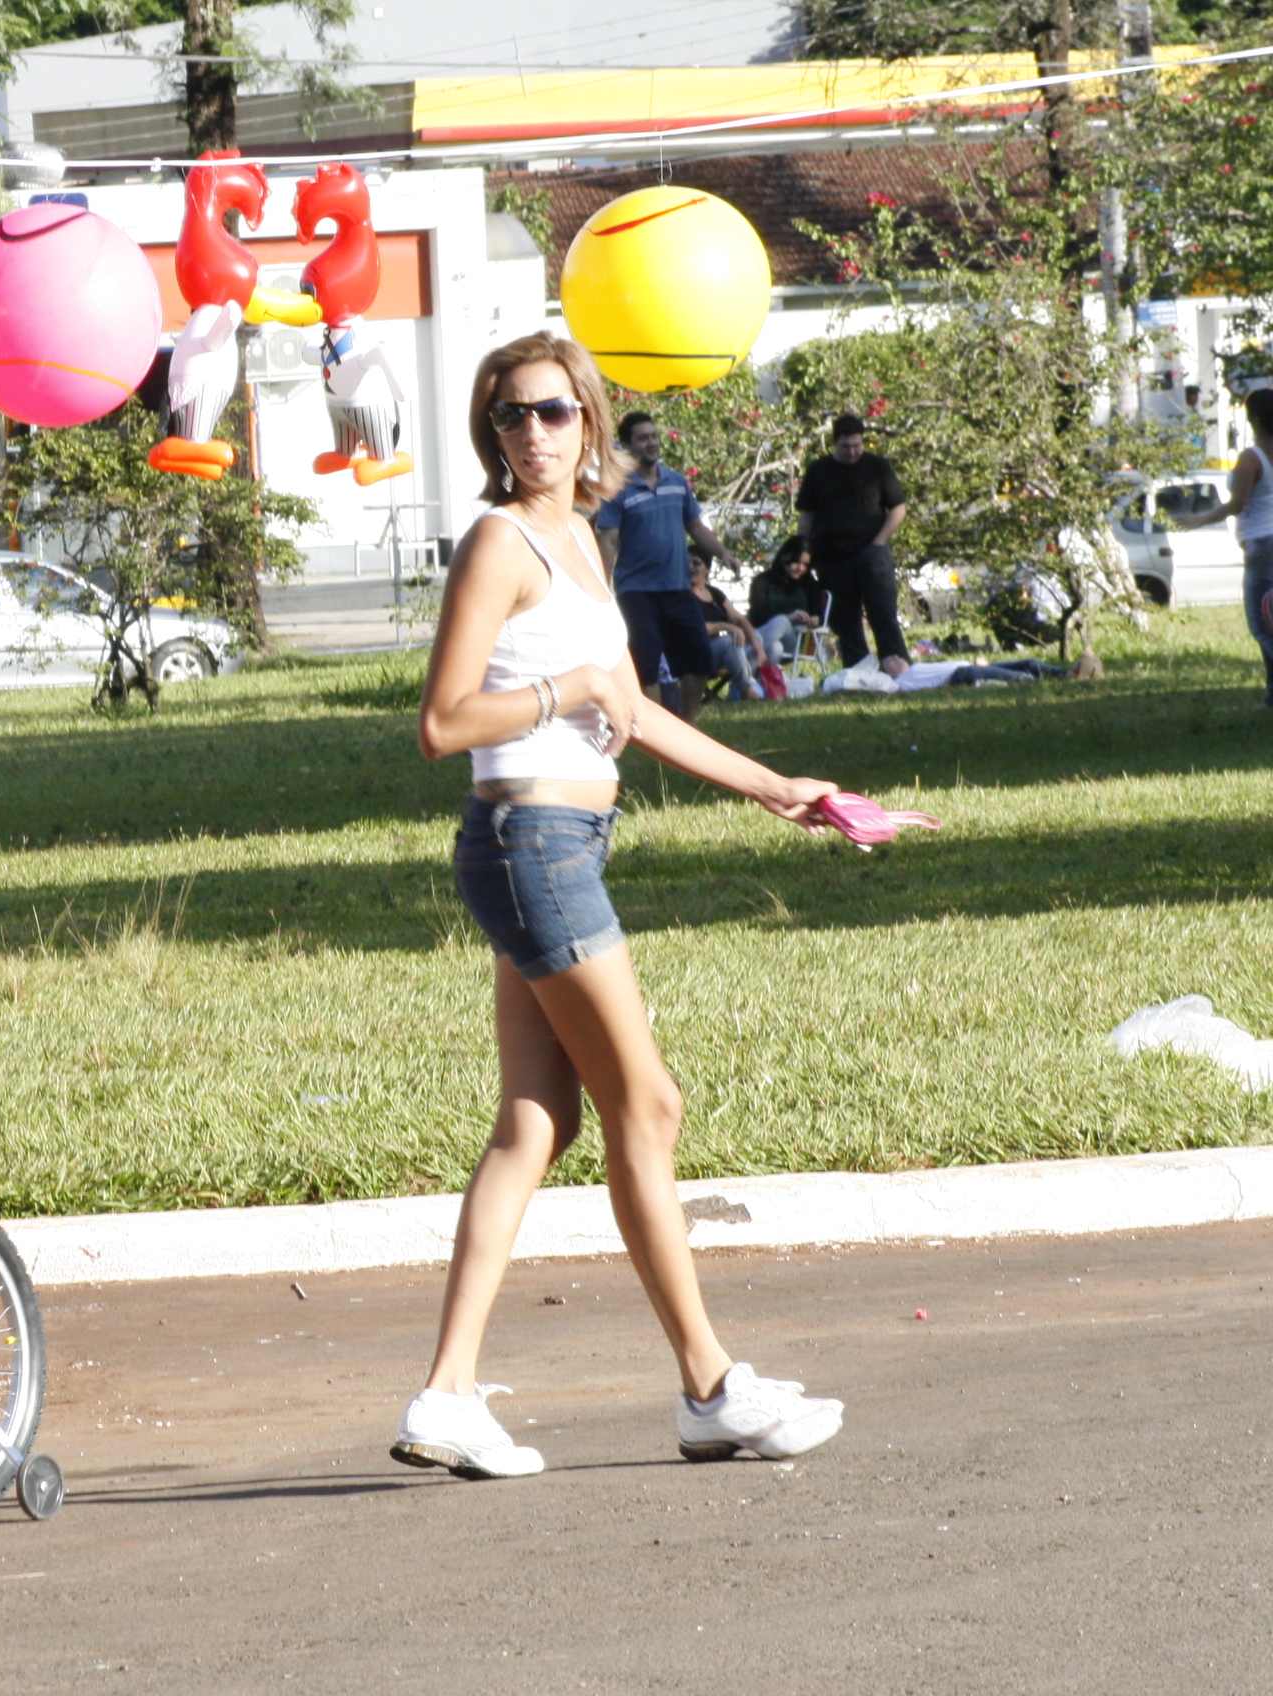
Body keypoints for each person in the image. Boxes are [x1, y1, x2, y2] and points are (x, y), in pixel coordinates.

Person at [396, 328, 845, 1478]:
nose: (529, 434)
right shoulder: (500, 542)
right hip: (527, 838)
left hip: (561, 839)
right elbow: (445, 721)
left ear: (588, 418)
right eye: (506, 417)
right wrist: (569, 686)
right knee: (648, 1103)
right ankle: (709, 1384)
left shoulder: (585, 542)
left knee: (536, 1122)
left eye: (548, 411)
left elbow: (635, 713)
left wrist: (775, 787)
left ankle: (447, 1394)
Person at [592, 412, 744, 721]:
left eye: (654, 436)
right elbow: (607, 540)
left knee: (699, 660)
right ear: (627, 445)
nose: (651, 443)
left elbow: (697, 528)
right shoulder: (617, 489)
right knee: (646, 667)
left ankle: (687, 725)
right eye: (643, 438)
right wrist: (599, 586)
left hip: (678, 588)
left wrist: (724, 553)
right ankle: (656, 729)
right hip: (638, 593)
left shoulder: (677, 482)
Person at [796, 414, 911, 677]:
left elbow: (898, 508)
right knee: (845, 621)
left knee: (883, 615)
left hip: (872, 554)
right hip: (831, 558)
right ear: (834, 442)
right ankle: (859, 672)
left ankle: (898, 669)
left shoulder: (877, 467)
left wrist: (878, 543)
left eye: (857, 445)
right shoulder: (818, 470)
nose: (852, 451)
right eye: (846, 446)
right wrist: (804, 549)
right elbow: (807, 516)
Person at [1179, 386, 1273, 707]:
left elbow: (1237, 504)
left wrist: (1199, 519)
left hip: (1262, 547)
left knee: (1261, 626)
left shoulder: (1252, 458)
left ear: (1255, 419)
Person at [689, 550, 768, 701]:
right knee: (728, 643)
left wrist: (757, 645)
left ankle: (738, 692)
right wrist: (724, 626)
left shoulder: (714, 593)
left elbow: (739, 619)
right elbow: (694, 629)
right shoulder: (682, 594)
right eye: (686, 563)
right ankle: (747, 690)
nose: (690, 567)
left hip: (715, 653)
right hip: (693, 654)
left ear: (707, 569)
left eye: (696, 563)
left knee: (754, 637)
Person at [747, 536, 825, 665]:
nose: (800, 568)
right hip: (764, 635)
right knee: (775, 648)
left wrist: (815, 619)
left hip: (795, 638)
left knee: (782, 621)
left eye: (805, 564)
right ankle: (751, 684)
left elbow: (818, 614)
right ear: (784, 556)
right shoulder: (762, 582)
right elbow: (758, 617)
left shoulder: (810, 585)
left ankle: (742, 654)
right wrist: (789, 617)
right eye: (796, 562)